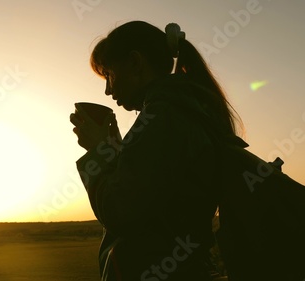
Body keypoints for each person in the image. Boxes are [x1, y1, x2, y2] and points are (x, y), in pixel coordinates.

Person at [70, 21, 244, 281]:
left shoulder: (165, 116)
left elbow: (122, 214)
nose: (108, 90)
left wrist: (99, 152)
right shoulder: (183, 109)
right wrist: (118, 153)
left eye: (109, 74)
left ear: (135, 63)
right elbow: (159, 199)